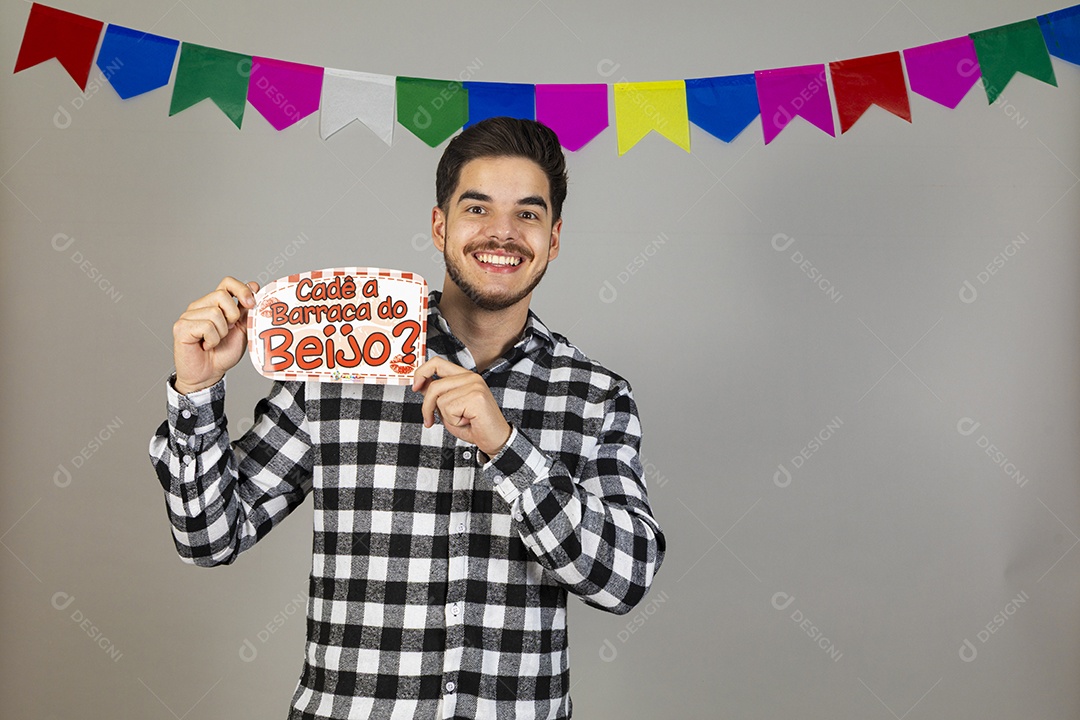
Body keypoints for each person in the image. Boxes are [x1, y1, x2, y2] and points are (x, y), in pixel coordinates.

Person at [149, 116, 666, 720]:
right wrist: (199, 388)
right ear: (439, 225)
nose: (502, 233)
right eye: (477, 209)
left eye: (527, 214)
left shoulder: (595, 395)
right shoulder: (338, 360)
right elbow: (209, 536)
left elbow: (624, 581)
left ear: (553, 238)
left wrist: (507, 448)